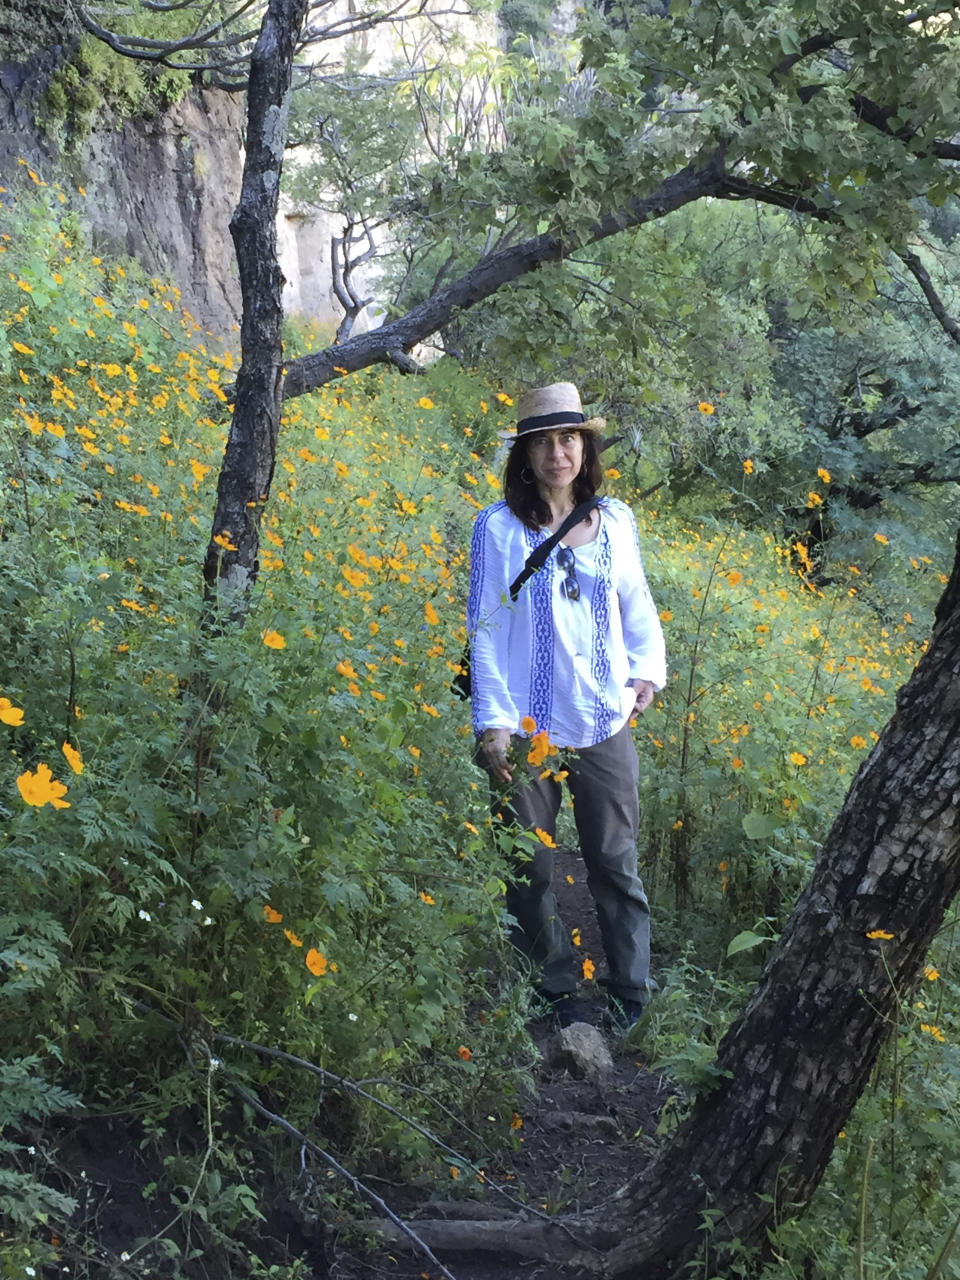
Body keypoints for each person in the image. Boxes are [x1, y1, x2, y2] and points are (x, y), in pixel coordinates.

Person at [467, 382, 666, 1030]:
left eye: (570, 438)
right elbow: (486, 630)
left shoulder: (618, 521)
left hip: (605, 720)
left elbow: (637, 606)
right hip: (527, 724)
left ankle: (630, 993)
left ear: (586, 447)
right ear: (525, 454)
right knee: (528, 864)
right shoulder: (497, 529)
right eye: (545, 441)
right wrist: (492, 727)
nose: (559, 452)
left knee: (615, 861)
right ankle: (548, 989)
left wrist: (647, 674)